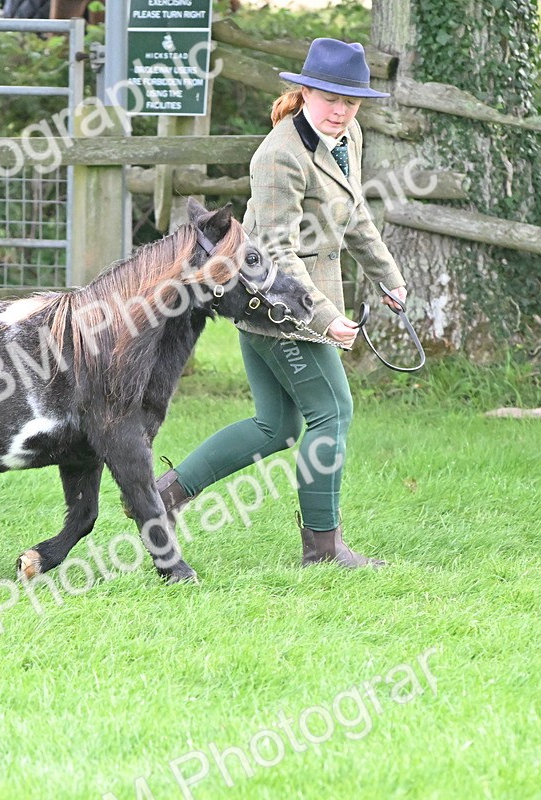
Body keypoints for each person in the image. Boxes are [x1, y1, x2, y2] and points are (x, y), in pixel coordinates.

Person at [156, 38, 408, 568]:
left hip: (300, 303)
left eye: (351, 101)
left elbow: (355, 216)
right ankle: (323, 549)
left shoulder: (348, 136)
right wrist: (324, 317)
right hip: (277, 305)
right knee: (333, 413)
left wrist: (387, 277)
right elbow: (272, 252)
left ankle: (163, 496)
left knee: (276, 426)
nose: (341, 110)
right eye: (330, 98)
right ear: (306, 91)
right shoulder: (278, 156)